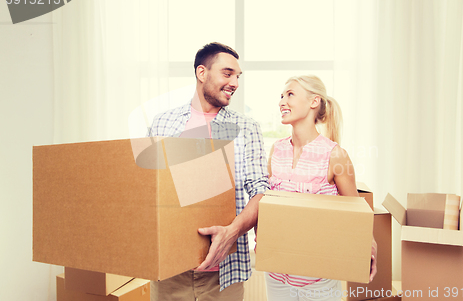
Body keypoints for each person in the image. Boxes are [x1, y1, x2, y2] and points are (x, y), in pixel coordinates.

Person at [148, 42, 269, 300]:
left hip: (224, 276)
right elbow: (149, 187)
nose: (235, 82)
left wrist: (232, 232)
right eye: (228, 73)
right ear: (202, 73)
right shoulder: (163, 123)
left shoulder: (247, 128)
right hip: (169, 272)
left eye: (238, 76)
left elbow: (262, 192)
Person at [263, 75, 377, 301]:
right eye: (282, 96)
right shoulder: (276, 150)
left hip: (318, 279)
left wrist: (369, 246)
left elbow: (356, 214)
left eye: (290, 94)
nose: (282, 101)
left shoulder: (335, 155)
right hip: (276, 275)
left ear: (314, 102)